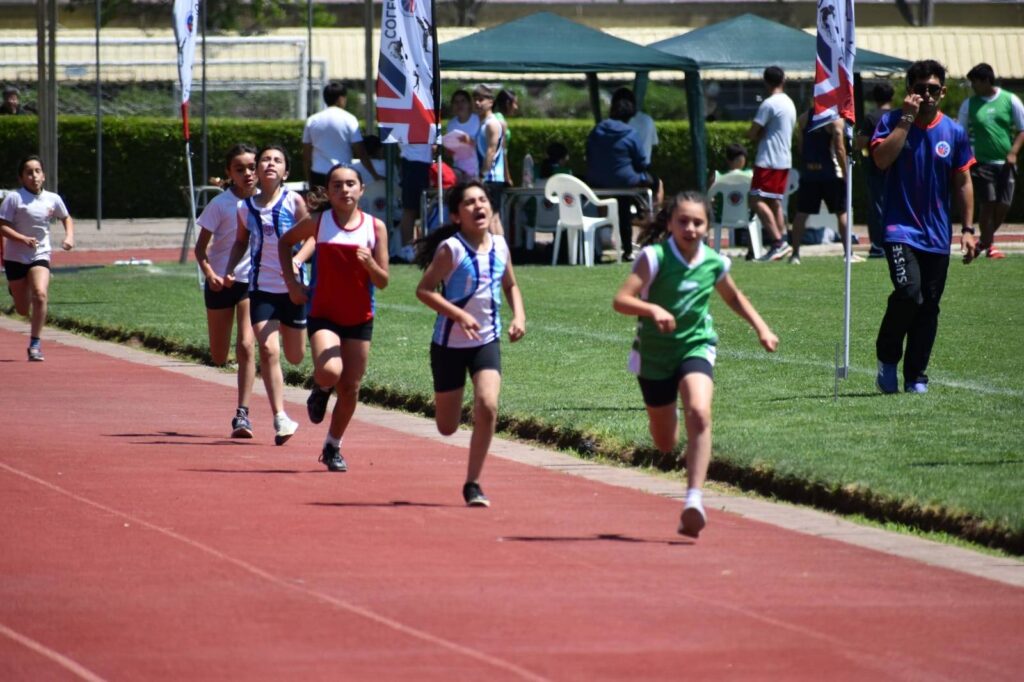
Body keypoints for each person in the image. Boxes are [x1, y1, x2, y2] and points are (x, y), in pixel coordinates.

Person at [612, 191, 778, 538]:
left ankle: (694, 500)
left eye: (698, 222)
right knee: (665, 443)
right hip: (654, 355)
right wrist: (653, 309)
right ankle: (670, 418)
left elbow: (733, 297)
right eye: (683, 221)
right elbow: (621, 300)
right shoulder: (654, 257)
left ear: (707, 227)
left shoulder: (714, 262)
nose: (690, 228)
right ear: (671, 223)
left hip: (696, 346)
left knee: (700, 413)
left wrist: (761, 328)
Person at [414, 180, 526, 507]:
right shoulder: (451, 249)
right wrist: (458, 315)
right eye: (469, 202)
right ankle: (451, 406)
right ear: (456, 215)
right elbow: (424, 290)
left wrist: (519, 317)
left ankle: (473, 483)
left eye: (482, 200)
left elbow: (511, 285)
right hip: (448, 346)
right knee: (447, 427)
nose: (478, 206)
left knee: (488, 406)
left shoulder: (501, 245)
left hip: (486, 342)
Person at [871, 59, 977, 395]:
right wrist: (906, 118)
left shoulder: (954, 133)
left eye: (933, 88)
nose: (927, 94)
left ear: (943, 92)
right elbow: (881, 160)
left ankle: (916, 376)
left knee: (928, 306)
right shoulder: (891, 121)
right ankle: (887, 358)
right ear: (909, 90)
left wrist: (968, 229)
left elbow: (963, 181)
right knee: (908, 293)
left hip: (937, 236)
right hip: (899, 230)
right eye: (920, 88)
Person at [277, 164, 389, 472]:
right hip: (323, 313)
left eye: (350, 184)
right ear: (328, 191)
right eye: (337, 185)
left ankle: (332, 446)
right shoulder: (319, 222)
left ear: (361, 189)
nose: (344, 190)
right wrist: (292, 285)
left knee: (350, 388)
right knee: (329, 371)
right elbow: (284, 243)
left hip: (359, 317)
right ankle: (321, 388)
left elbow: (383, 281)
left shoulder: (375, 227)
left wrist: (370, 264)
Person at [223, 144, 314, 443]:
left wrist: (297, 261)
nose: (270, 164)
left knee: (296, 356)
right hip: (261, 289)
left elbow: (312, 238)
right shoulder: (244, 208)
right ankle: (280, 417)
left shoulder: (294, 201)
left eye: (277, 160)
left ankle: (288, 406)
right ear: (257, 169)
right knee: (269, 350)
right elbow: (240, 241)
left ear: (285, 172)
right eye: (265, 160)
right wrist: (230, 267)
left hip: (294, 290)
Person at [194, 143, 259, 438]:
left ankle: (242, 414)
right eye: (239, 169)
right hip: (219, 283)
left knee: (246, 344)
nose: (247, 173)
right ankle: (223, 360)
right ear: (229, 172)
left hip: (250, 283)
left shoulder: (265, 203)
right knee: (219, 356)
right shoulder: (220, 204)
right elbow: (200, 249)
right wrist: (210, 275)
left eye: (252, 167)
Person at [0, 155, 73, 361]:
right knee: (23, 310)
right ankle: (16, 290)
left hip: (40, 254)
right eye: (29, 172)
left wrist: (69, 236)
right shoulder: (14, 199)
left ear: (43, 175)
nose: (34, 176)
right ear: (21, 178)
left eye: (37, 171)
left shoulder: (52, 199)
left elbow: (66, 217)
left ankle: (35, 344)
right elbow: (2, 226)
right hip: (15, 258)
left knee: (40, 294)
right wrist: (22, 238)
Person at [958, 63, 1024, 259]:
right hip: (981, 163)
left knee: (1004, 205)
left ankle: (984, 241)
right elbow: (960, 132)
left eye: (975, 82)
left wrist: (1013, 152)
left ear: (986, 81)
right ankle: (990, 245)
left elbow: (1022, 129)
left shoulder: (1010, 100)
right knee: (988, 203)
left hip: (1006, 164)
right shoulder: (969, 104)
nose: (972, 86)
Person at [586, 94, 661, 261]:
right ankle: (645, 219)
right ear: (630, 115)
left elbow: (589, 154)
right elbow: (642, 162)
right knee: (646, 187)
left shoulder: (597, 130)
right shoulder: (631, 133)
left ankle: (601, 244)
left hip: (596, 182)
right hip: (625, 182)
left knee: (621, 202)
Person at [788, 110, 861, 265]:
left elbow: (801, 147)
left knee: (802, 213)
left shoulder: (804, 117)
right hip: (831, 174)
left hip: (809, 173)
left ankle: (795, 255)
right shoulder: (835, 120)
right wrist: (846, 173)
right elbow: (839, 148)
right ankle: (848, 254)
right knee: (842, 213)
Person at [747, 66, 797, 262]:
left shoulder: (769, 104)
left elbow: (753, 132)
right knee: (774, 201)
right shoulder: (789, 102)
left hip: (768, 159)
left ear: (766, 82)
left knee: (755, 200)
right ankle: (782, 240)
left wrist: (754, 133)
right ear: (783, 80)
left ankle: (777, 242)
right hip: (784, 159)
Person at [302, 80, 381, 190]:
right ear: (341, 99)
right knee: (342, 201)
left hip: (318, 174)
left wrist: (309, 180)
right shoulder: (349, 119)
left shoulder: (312, 120)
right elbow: (361, 152)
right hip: (342, 173)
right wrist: (375, 175)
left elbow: (306, 155)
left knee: (321, 201)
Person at [854, 82, 895, 258]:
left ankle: (878, 246)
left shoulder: (871, 118)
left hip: (876, 168)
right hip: (898, 168)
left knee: (877, 207)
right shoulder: (899, 116)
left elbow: (860, 143)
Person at [473, 84, 507, 235]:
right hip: (489, 177)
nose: (477, 103)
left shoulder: (491, 123)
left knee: (492, 217)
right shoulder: (483, 123)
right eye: (475, 99)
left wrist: (482, 175)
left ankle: (500, 248)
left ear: (490, 102)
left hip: (491, 178)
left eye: (481, 99)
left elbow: (491, 151)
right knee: (493, 216)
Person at [396, 141, 434, 259]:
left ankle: (422, 247)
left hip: (425, 164)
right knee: (410, 209)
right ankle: (407, 249)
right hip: (412, 163)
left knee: (424, 209)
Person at [613, 87, 659, 167]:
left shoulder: (614, 124)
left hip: (622, 168)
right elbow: (654, 142)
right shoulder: (648, 120)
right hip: (644, 166)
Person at [443, 89, 480, 181]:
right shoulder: (451, 124)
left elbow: (484, 145)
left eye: (463, 101)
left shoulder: (478, 120)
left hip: (476, 170)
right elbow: (449, 151)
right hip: (458, 170)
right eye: (456, 102)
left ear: (469, 104)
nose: (459, 104)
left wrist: (469, 141)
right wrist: (448, 151)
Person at [494, 88, 519, 186]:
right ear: (508, 103)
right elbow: (502, 151)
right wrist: (507, 176)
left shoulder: (493, 117)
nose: (516, 107)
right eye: (515, 103)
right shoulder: (500, 122)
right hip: (496, 173)